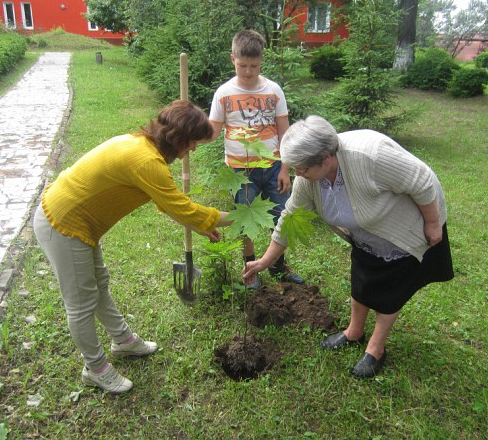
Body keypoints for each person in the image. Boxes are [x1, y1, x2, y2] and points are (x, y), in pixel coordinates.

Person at [33, 100, 231, 394]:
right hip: (62, 223)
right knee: (81, 303)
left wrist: (201, 227)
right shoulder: (147, 161)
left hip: (77, 223)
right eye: (193, 143)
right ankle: (95, 369)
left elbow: (169, 206)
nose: (193, 150)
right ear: (179, 138)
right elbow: (181, 207)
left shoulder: (141, 145)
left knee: (99, 284)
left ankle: (123, 342)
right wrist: (237, 218)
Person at [243, 116, 453, 378]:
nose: (298, 174)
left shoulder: (370, 156)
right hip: (366, 234)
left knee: (391, 291)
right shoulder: (309, 178)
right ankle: (354, 331)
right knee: (362, 279)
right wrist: (265, 261)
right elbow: (288, 218)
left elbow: (420, 180)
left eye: (302, 169)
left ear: (326, 158)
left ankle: (375, 349)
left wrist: (433, 223)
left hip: (407, 227)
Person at [209, 29, 304, 289]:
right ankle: (250, 267)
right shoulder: (224, 94)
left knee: (281, 217)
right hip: (240, 171)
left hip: (273, 167)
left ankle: (277, 264)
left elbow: (285, 133)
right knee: (245, 219)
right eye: (242, 66)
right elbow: (213, 131)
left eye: (254, 66)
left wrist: (286, 168)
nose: (248, 71)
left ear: (262, 62)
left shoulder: (273, 90)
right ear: (232, 59)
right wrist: (188, 137)